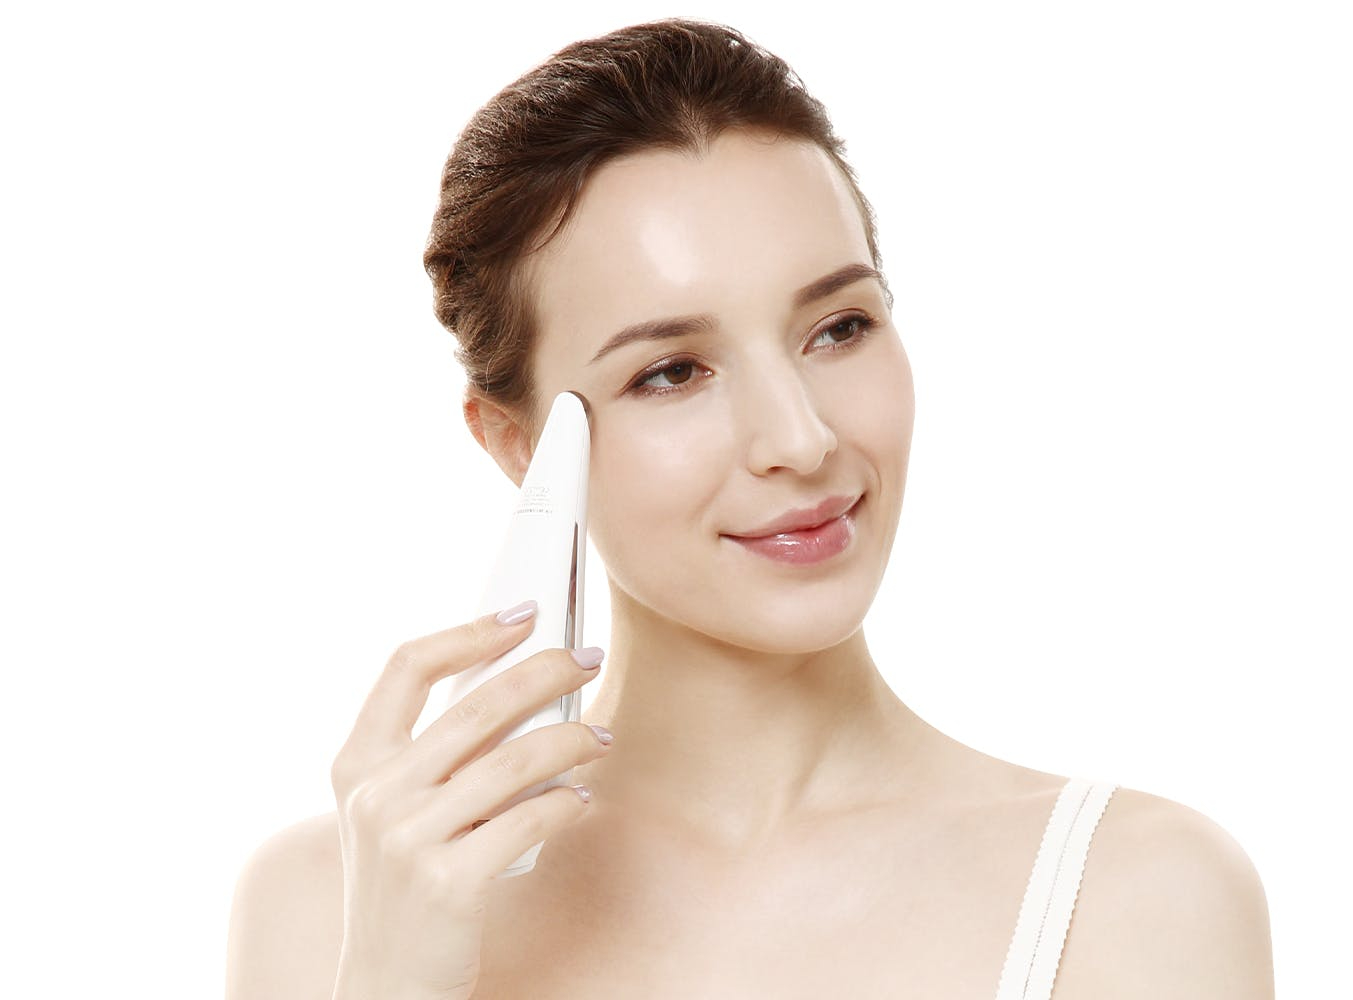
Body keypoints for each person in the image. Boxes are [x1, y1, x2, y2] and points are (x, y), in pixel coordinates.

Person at [226, 18, 1274, 999]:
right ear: (518, 445)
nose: (802, 439)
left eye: (840, 327)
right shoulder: (336, 905)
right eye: (673, 371)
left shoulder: (1137, 894)